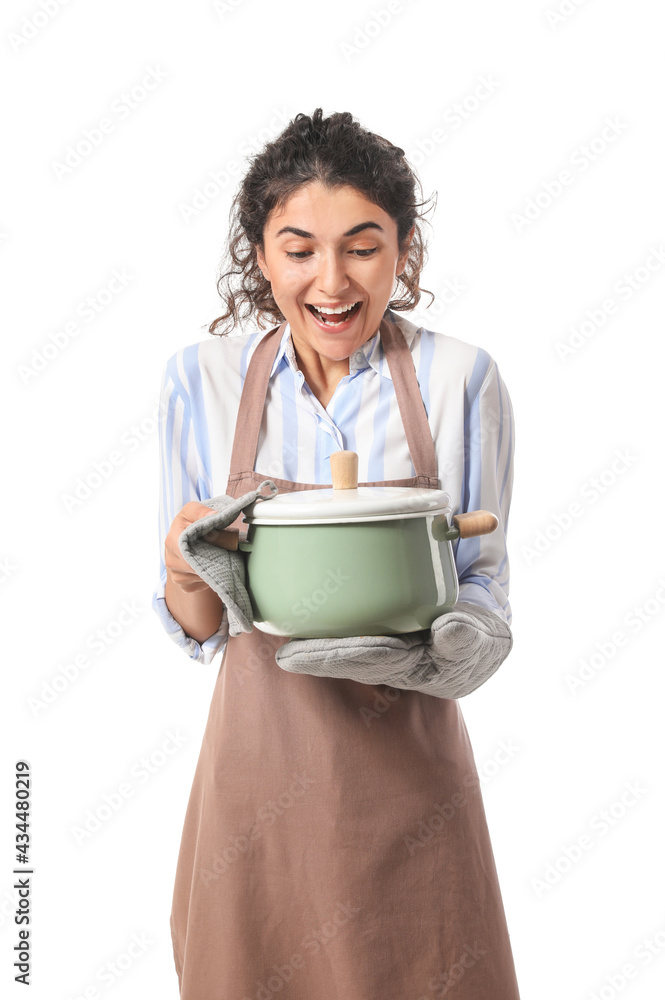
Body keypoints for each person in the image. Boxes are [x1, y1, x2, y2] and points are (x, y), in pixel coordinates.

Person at [152, 107, 521, 999]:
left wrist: (461, 647)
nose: (331, 281)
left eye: (362, 246)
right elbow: (198, 625)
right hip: (256, 771)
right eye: (297, 248)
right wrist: (181, 561)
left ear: (404, 253)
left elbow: (483, 579)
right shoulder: (199, 381)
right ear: (260, 256)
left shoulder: (457, 377)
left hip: (408, 767)